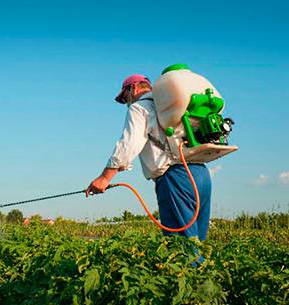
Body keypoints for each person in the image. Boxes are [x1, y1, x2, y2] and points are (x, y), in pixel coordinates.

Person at [86, 74, 211, 241]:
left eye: (125, 97)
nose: (127, 103)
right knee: (198, 243)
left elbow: (129, 143)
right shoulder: (171, 106)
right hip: (201, 174)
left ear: (134, 88)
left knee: (182, 249)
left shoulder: (140, 107)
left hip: (176, 177)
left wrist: (105, 177)